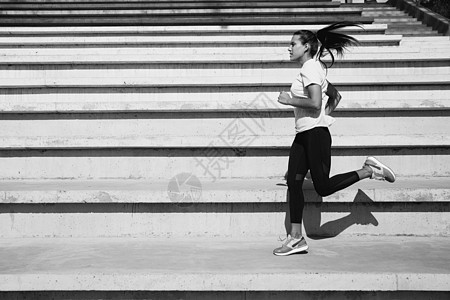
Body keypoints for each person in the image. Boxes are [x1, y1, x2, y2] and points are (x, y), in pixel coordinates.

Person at [273, 22, 396, 256]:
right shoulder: (313, 69)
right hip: (305, 134)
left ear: (306, 46)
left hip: (315, 136)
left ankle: (369, 170)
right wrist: (322, 117)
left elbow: (316, 102)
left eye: (292, 44)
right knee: (293, 182)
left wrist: (290, 101)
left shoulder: (310, 68)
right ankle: (296, 238)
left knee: (323, 186)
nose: (288, 48)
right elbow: (335, 95)